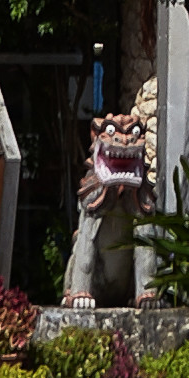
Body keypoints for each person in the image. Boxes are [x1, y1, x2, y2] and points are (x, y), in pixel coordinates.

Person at [62, 83, 157, 309]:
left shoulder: (139, 193)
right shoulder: (94, 192)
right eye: (113, 133)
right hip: (94, 282)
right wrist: (80, 291)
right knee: (81, 242)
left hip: (124, 285)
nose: (124, 142)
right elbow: (86, 242)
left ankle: (144, 292)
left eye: (134, 134)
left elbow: (145, 243)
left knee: (147, 234)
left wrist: (147, 291)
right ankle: (77, 288)